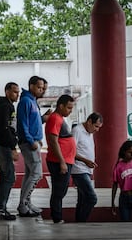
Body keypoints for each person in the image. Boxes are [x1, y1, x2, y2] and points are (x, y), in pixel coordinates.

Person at [45, 94, 76, 224]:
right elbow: (53, 140)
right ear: (61, 106)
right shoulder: (55, 119)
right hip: (59, 161)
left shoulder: (59, 118)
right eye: (68, 108)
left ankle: (57, 215)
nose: (70, 111)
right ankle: (57, 217)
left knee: (61, 189)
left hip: (65, 160)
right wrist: (62, 161)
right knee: (59, 190)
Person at [16, 75, 45, 217]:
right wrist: (30, 140)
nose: (41, 90)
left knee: (29, 174)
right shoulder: (25, 101)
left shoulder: (33, 101)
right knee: (36, 174)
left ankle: (26, 203)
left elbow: (34, 123)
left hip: (34, 142)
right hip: (29, 144)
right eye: (39, 87)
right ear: (32, 86)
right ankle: (22, 204)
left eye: (42, 88)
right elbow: (22, 124)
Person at [0, 82, 20, 220]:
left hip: (5, 146)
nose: (17, 94)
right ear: (7, 91)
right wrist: (12, 147)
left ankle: (1, 208)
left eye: (18, 92)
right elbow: (3, 129)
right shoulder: (5, 107)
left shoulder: (8, 106)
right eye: (15, 92)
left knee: (6, 177)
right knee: (8, 178)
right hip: (4, 147)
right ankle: (1, 210)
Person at [71, 112, 103, 222]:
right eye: (96, 126)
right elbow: (71, 152)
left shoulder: (90, 132)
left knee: (82, 200)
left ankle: (79, 223)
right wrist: (86, 161)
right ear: (89, 121)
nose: (97, 130)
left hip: (87, 170)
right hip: (79, 170)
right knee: (91, 198)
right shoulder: (77, 131)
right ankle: (82, 222)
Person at [111, 140, 132, 221]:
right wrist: (112, 202)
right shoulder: (118, 166)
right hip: (124, 198)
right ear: (124, 152)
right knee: (125, 225)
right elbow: (115, 185)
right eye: (129, 152)